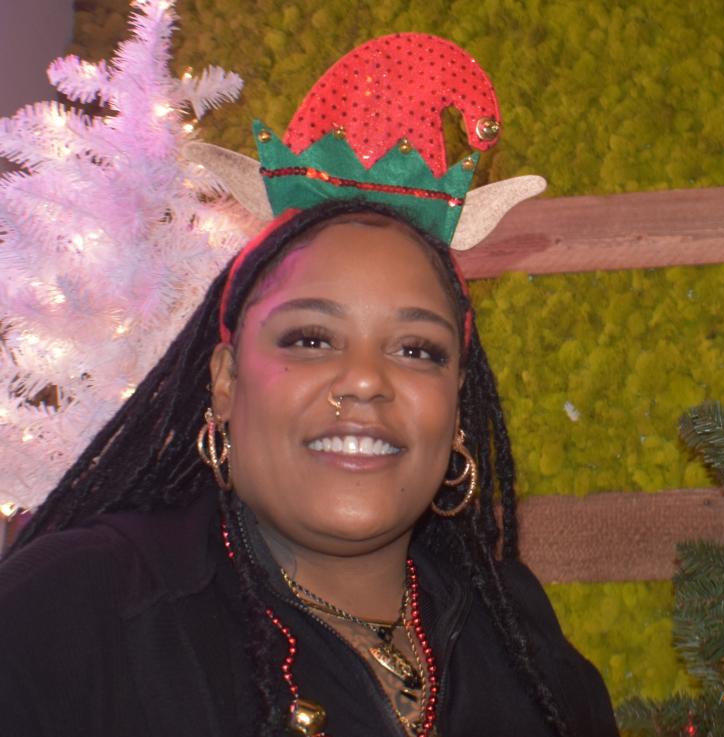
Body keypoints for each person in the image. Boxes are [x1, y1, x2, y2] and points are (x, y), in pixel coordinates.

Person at [0, 34, 618, 737]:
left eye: (417, 349)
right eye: (310, 339)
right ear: (226, 383)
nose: (363, 379)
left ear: (455, 412)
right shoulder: (78, 611)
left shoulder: (519, 637)